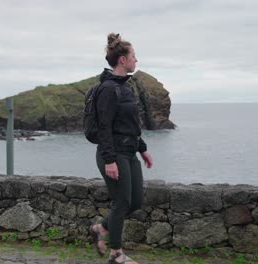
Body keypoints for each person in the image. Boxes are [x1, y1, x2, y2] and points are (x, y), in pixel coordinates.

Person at [89, 33, 153, 264]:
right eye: (134, 56)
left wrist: (142, 148)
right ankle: (116, 254)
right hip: (113, 153)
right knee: (121, 203)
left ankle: (101, 228)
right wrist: (109, 160)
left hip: (129, 151)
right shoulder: (107, 89)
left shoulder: (127, 88)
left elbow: (132, 125)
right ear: (123, 60)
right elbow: (104, 127)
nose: (137, 60)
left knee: (135, 202)